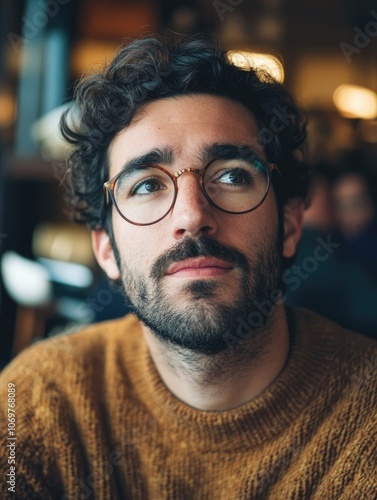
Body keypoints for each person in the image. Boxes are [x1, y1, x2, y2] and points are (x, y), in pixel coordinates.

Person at [0, 36, 376, 499]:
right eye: (145, 185)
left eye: (233, 175)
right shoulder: (33, 403)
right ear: (106, 250)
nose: (191, 215)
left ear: (291, 226)